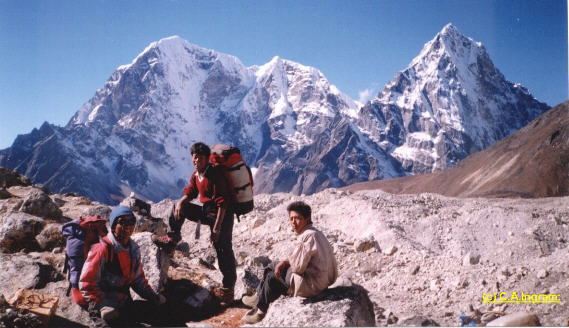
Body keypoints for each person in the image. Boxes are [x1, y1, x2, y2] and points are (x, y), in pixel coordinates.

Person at [152, 142, 237, 304]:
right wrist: (182, 201)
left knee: (223, 249)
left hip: (222, 217)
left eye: (199, 158)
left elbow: (223, 203)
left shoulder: (215, 174)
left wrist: (217, 229)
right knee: (177, 207)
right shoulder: (197, 174)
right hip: (207, 213)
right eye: (194, 157)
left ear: (206, 159)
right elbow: (191, 190)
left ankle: (228, 291)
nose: (195, 160)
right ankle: (172, 239)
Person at [241, 201, 338, 324]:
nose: (293, 222)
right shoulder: (315, 233)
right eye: (291, 218)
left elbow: (298, 268)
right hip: (321, 280)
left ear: (307, 218)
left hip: (312, 285)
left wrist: (286, 264)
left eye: (297, 218)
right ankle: (258, 296)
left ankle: (260, 311)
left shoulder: (307, 237)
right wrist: (284, 262)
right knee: (273, 265)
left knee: (272, 277)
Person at [79, 206, 166, 327]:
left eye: (131, 222)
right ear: (114, 225)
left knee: (159, 311)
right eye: (122, 222)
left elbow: (138, 279)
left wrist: (152, 296)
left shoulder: (133, 249)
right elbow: (86, 283)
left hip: (122, 300)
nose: (128, 226)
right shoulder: (102, 249)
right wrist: (103, 304)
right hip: (101, 306)